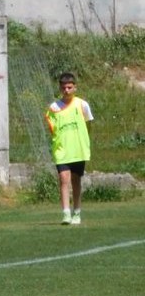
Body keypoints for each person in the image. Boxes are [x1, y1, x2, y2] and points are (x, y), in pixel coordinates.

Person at [44, 72, 94, 225]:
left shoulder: (82, 104)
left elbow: (88, 124)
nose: (66, 90)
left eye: (69, 87)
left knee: (76, 180)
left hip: (78, 149)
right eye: (64, 87)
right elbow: (52, 129)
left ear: (75, 88)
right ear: (60, 88)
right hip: (62, 150)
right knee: (63, 179)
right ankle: (66, 213)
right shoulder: (53, 107)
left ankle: (77, 212)